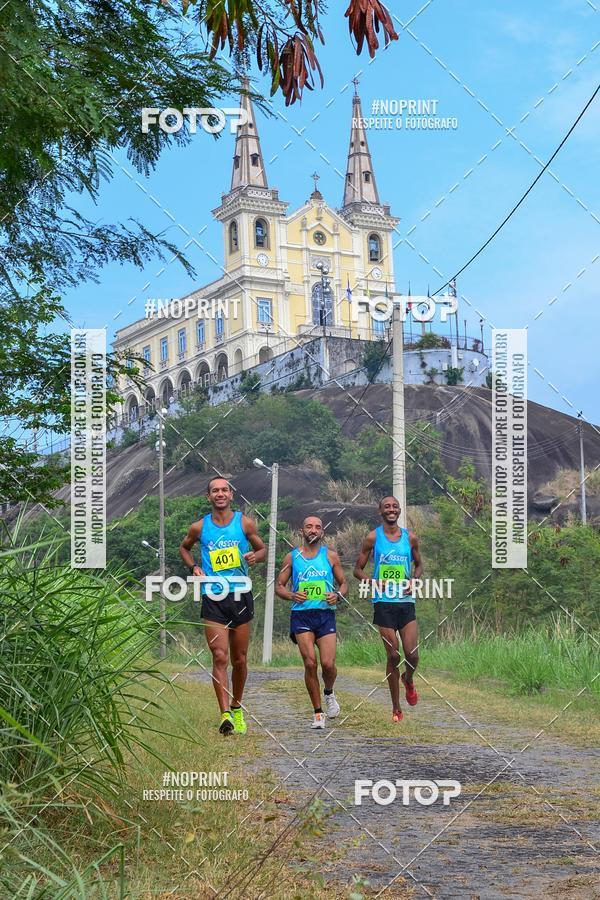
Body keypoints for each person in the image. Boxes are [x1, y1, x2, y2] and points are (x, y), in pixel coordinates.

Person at [179, 476, 266, 735]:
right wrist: (194, 567)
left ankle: (237, 707)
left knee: (239, 659)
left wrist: (255, 556)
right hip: (213, 596)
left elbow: (262, 550)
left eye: (224, 490)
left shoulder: (244, 523)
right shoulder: (199, 527)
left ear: (231, 495)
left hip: (240, 595)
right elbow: (184, 549)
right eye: (215, 490)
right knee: (219, 656)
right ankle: (224, 714)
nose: (220, 494)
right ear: (208, 496)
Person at [354, 497, 423, 723]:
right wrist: (373, 582)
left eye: (394, 506)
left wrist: (414, 580)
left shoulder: (410, 538)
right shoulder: (373, 538)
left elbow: (419, 565)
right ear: (380, 511)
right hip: (383, 602)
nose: (391, 509)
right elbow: (357, 570)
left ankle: (408, 679)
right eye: (387, 507)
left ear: (399, 510)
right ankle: (396, 707)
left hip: (406, 601)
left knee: (412, 655)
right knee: (393, 655)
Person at [275, 516, 348, 729]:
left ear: (322, 532)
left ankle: (329, 692)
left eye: (317, 527)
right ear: (302, 531)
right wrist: (292, 595)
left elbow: (344, 583)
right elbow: (279, 586)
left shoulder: (330, 556)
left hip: (325, 615)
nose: (313, 530)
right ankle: (317, 713)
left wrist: (338, 595)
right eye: (309, 527)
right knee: (310, 663)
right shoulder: (292, 557)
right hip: (302, 615)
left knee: (328, 664)